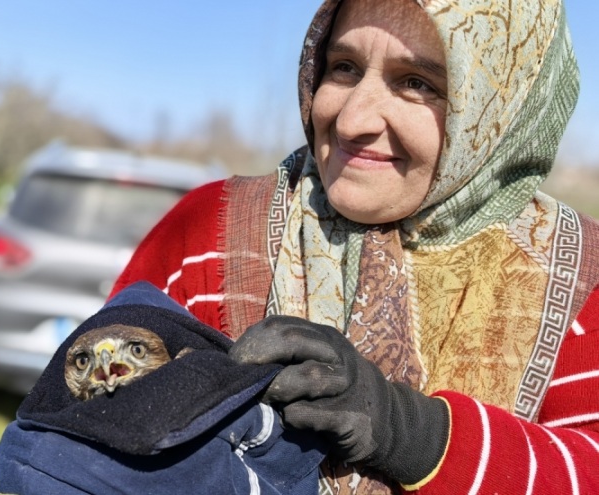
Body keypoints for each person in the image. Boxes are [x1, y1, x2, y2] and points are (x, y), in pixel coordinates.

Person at [110, 0, 599, 493]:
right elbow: (82, 416)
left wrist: (413, 432)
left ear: (504, 112)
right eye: (344, 68)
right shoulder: (209, 229)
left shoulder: (582, 275)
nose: (351, 121)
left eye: (417, 83)